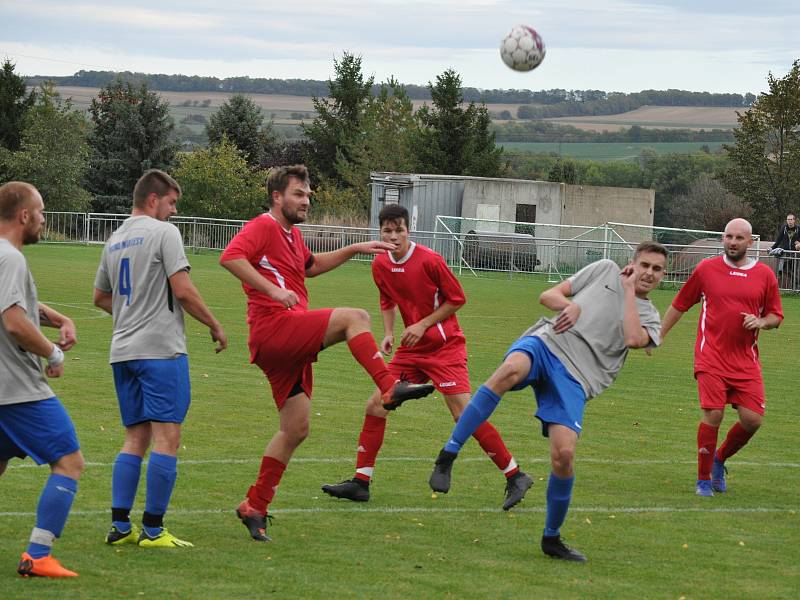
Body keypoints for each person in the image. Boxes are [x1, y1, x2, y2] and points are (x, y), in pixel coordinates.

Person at [219, 165, 434, 542]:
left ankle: (255, 505)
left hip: (285, 342)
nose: (306, 200)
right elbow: (231, 257)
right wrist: (272, 291)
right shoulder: (264, 225)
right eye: (299, 194)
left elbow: (311, 267)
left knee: (296, 429)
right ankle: (388, 386)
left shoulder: (291, 235)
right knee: (356, 317)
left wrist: (354, 248)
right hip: (275, 329)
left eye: (308, 195)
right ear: (277, 197)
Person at [429, 242, 667, 562]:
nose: (649, 273)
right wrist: (568, 307)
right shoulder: (604, 269)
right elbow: (548, 296)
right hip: (548, 343)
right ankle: (448, 455)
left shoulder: (651, 317)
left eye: (657, 269)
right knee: (509, 371)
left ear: (664, 275)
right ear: (632, 263)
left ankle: (551, 539)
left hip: (577, 378)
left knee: (564, 455)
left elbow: (633, 339)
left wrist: (627, 291)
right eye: (645, 265)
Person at [321, 204, 532, 509]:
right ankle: (360, 482)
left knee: (464, 414)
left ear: (409, 231)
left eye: (399, 230)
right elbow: (387, 299)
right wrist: (390, 332)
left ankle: (515, 475)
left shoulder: (430, 260)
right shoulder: (379, 264)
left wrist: (422, 324)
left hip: (444, 347)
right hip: (411, 348)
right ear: (379, 232)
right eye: (387, 231)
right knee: (377, 404)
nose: (393, 236)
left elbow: (458, 299)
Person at [93, 169, 228, 548]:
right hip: (160, 350)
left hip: (122, 351)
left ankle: (121, 526)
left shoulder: (114, 239)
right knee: (167, 438)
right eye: (171, 203)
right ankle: (153, 529)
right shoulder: (164, 233)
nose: (173, 211)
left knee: (134, 438)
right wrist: (215, 324)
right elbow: (182, 290)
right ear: (153, 199)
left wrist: (131, 313)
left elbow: (101, 298)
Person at [661, 218, 782, 498]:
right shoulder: (706, 268)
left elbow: (776, 316)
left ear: (750, 242)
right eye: (728, 237)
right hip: (711, 355)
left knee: (753, 420)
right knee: (713, 413)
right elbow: (680, 303)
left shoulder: (764, 275)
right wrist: (660, 334)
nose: (732, 242)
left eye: (739, 238)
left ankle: (719, 459)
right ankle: (703, 480)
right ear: (723, 239)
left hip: (746, 361)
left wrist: (762, 322)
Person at [0, 182, 84, 577]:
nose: (45, 221)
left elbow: (21, 304)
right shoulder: (10, 258)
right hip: (16, 389)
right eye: (42, 213)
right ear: (24, 216)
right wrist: (52, 351)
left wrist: (59, 318)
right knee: (69, 461)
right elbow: (15, 321)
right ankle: (38, 554)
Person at [768, 213, 800, 289]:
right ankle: (797, 283)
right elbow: (778, 240)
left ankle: (795, 288)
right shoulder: (784, 228)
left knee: (794, 270)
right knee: (784, 269)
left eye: (791, 219)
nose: (790, 221)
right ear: (786, 220)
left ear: (794, 220)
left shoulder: (798, 228)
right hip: (786, 253)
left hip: (795, 253)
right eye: (788, 219)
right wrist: (772, 248)